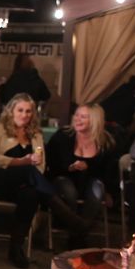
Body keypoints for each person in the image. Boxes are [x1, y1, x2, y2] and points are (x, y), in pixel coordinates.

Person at [0, 93, 92, 268]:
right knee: (28, 171)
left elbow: (40, 166)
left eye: (28, 111)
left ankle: (16, 249)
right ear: (11, 111)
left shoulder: (35, 133)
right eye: (20, 110)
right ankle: (70, 218)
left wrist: (28, 165)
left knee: (30, 194)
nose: (24, 115)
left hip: (21, 184)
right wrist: (22, 162)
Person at [46, 104, 114, 243]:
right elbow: (51, 165)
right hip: (64, 178)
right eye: (76, 115)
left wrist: (89, 168)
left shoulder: (105, 142)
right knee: (69, 190)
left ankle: (79, 234)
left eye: (83, 117)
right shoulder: (63, 136)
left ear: (94, 120)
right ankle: (76, 227)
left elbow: (107, 171)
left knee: (97, 189)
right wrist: (69, 168)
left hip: (90, 182)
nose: (77, 119)